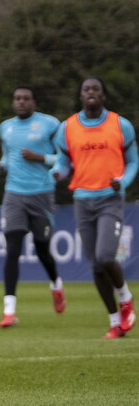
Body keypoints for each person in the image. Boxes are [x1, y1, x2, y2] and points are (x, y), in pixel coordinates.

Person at [49, 77, 138, 339]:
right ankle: (115, 323)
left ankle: (125, 297)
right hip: (82, 200)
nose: (91, 93)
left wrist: (122, 183)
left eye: (96, 89)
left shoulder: (121, 125)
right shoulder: (67, 128)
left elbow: (133, 162)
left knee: (106, 256)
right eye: (86, 89)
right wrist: (57, 172)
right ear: (80, 96)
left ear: (104, 97)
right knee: (96, 268)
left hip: (110, 199)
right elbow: (64, 162)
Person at [0, 85, 64, 327]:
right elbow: (8, 158)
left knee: (42, 250)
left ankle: (56, 284)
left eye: (26, 98)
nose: (21, 102)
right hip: (14, 194)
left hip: (41, 194)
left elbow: (63, 158)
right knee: (12, 249)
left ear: (34, 102)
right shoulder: (6, 127)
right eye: (17, 98)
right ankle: (9, 311)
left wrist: (40, 158)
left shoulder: (50, 124)